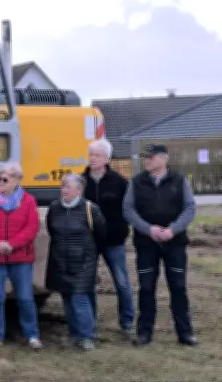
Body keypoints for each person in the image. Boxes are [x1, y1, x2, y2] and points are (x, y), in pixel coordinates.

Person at [123, 144, 198, 347]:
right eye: (145, 157)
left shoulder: (179, 180)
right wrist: (149, 229)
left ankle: (185, 333)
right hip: (146, 244)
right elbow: (128, 210)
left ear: (164, 159)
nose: (147, 160)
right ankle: (144, 333)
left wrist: (173, 229)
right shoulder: (136, 182)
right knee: (146, 288)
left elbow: (189, 207)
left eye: (151, 157)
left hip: (175, 244)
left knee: (178, 287)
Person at [0, 162, 43, 350]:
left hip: (21, 259)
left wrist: (12, 245)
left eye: (5, 178)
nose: (0, 181)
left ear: (16, 180)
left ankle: (31, 335)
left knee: (25, 298)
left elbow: (32, 227)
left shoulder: (28, 201)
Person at [46, 174, 107, 350]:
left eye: (67, 187)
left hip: (83, 263)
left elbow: (101, 234)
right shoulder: (54, 208)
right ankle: (74, 334)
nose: (63, 190)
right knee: (67, 298)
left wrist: (87, 254)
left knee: (79, 298)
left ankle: (87, 336)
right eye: (62, 186)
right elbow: (52, 231)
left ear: (79, 190)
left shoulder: (90, 209)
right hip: (59, 262)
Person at [82, 139, 135, 336]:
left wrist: (122, 231)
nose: (92, 158)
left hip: (114, 242)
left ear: (106, 158)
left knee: (122, 282)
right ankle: (89, 322)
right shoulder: (81, 181)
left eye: (97, 155)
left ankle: (127, 322)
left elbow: (129, 210)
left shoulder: (120, 182)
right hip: (89, 242)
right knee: (88, 284)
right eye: (91, 154)